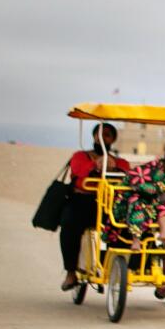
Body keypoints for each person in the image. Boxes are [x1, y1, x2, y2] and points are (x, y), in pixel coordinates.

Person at [59, 123, 130, 291]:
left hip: (110, 204)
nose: (102, 138)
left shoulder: (121, 162)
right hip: (83, 202)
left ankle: (117, 265)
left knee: (129, 225)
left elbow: (127, 177)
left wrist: (114, 167)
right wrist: (95, 165)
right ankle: (71, 272)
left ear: (113, 139)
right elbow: (78, 172)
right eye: (99, 134)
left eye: (107, 135)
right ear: (93, 137)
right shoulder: (80, 156)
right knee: (69, 226)